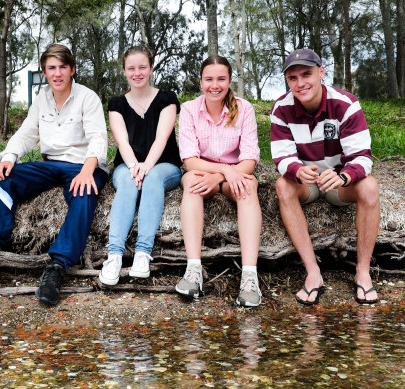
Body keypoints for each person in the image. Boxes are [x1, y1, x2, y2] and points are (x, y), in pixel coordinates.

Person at [0, 44, 108, 306]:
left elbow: (99, 137)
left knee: (83, 191)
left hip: (83, 164)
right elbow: (27, 133)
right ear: (44, 72)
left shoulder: (88, 97)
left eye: (63, 67)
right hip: (51, 164)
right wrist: (8, 158)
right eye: (51, 68)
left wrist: (88, 171)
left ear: (72, 70)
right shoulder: (42, 98)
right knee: (3, 178)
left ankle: (58, 266)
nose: (57, 73)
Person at [270, 48, 380, 305]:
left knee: (370, 188)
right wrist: (297, 170)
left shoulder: (346, 104)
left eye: (306, 74)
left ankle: (362, 273)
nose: (300, 83)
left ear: (321, 72)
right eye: (293, 78)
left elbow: (363, 157)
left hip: (338, 182)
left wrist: (343, 177)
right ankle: (313, 273)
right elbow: (282, 158)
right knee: (282, 186)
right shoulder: (281, 108)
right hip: (305, 183)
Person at [176, 56, 262, 306]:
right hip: (204, 174)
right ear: (201, 81)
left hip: (236, 175)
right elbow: (190, 160)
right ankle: (193, 272)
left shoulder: (244, 109)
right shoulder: (190, 109)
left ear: (229, 80)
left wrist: (224, 174)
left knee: (248, 188)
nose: (215, 85)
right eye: (209, 79)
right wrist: (223, 170)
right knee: (191, 183)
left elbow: (249, 160)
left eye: (221, 79)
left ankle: (249, 277)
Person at [98, 46, 182, 286]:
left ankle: (142, 253)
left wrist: (146, 167)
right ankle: (114, 256)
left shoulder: (167, 98)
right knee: (126, 181)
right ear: (124, 71)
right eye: (131, 68)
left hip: (165, 165)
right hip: (128, 165)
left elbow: (161, 138)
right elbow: (121, 140)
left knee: (153, 177)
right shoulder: (116, 104)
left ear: (151, 68)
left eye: (142, 67)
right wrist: (135, 165)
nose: (137, 73)